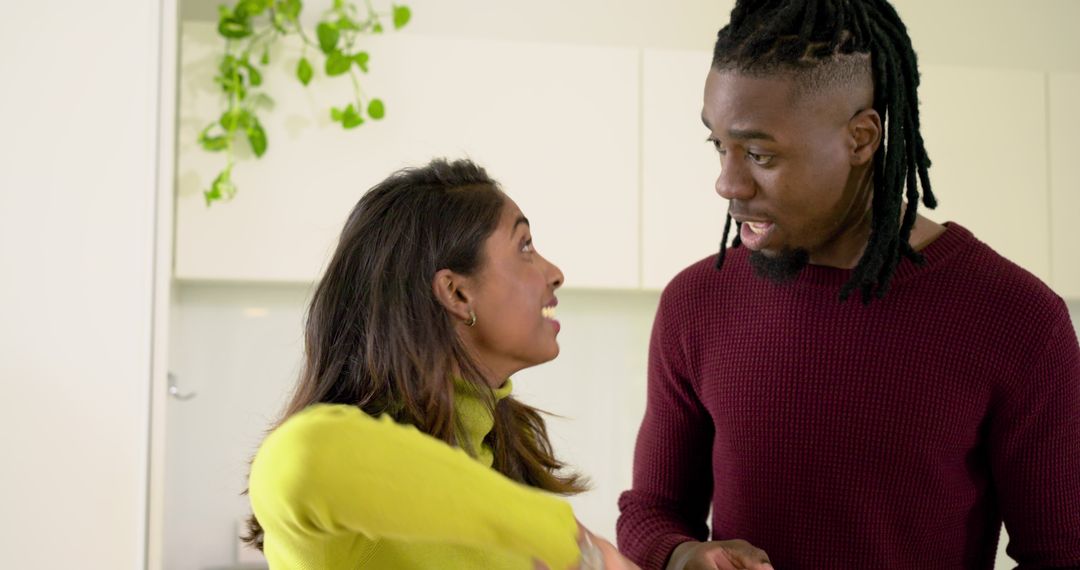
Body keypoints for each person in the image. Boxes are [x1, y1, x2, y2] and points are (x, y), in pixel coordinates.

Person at [615, 1, 1080, 569]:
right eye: (718, 145)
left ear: (861, 139)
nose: (726, 182)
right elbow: (651, 510)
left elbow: (1061, 553)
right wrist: (684, 556)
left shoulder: (1017, 318)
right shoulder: (696, 302)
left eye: (759, 153)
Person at [244, 158, 639, 569]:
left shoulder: (489, 476)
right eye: (524, 246)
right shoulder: (356, 495)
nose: (555, 273)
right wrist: (572, 540)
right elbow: (302, 456)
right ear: (456, 293)